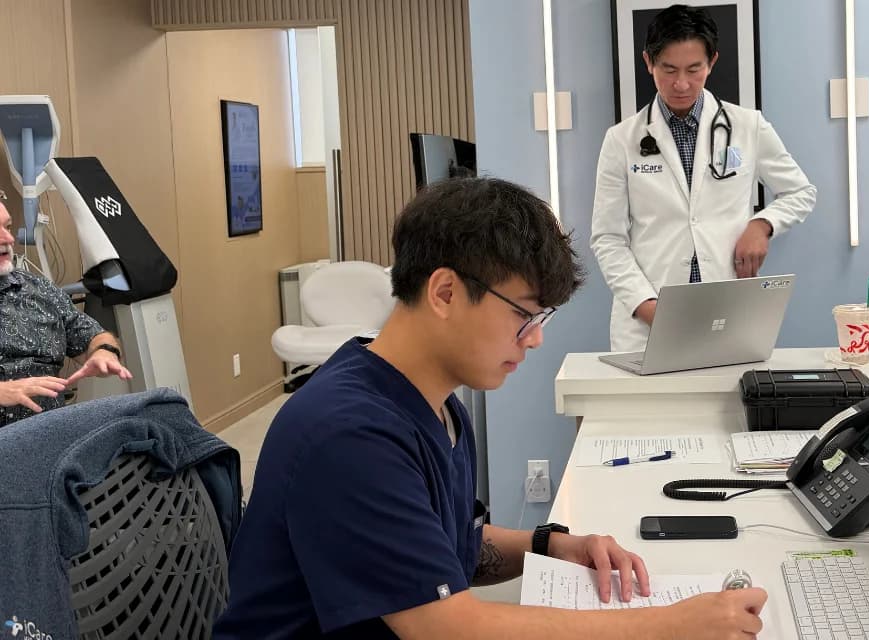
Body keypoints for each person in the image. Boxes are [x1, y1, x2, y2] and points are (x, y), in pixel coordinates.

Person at [214, 177, 767, 639]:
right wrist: (665, 625)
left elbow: (446, 545)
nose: (533, 340)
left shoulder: (437, 406)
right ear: (445, 293)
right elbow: (450, 627)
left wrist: (553, 545)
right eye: (524, 316)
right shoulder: (350, 434)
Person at [591, 4, 817, 352]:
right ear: (648, 62)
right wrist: (646, 306)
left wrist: (763, 224)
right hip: (648, 317)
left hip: (726, 309)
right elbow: (608, 238)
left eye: (694, 69)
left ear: (712, 62)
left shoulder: (748, 126)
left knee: (725, 405)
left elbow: (801, 192)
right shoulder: (621, 140)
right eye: (668, 69)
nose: (681, 83)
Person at [0, 201, 132, 427]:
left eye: (8, 227)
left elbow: (95, 337)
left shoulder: (37, 288)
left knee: (160, 416)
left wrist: (104, 353)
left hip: (53, 432)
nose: (9, 240)